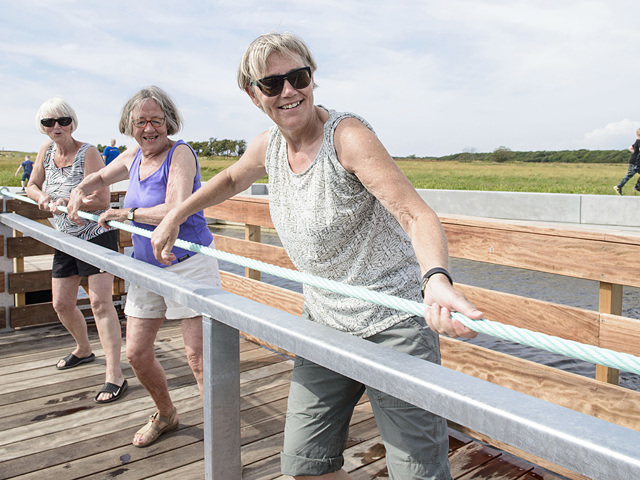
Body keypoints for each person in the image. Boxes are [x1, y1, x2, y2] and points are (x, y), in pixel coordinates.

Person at [150, 33, 483, 480]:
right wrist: (177, 214)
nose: (288, 91)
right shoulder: (267, 145)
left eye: (298, 77)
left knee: (417, 473)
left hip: (392, 325)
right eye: (272, 84)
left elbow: (415, 215)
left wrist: (436, 278)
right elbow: (230, 179)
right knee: (305, 466)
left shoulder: (347, 137)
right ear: (254, 95)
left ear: (312, 78)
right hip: (324, 323)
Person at [66, 86, 221, 448]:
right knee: (135, 353)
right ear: (129, 125)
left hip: (188, 262)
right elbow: (101, 178)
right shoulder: (134, 155)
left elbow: (176, 207)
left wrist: (126, 214)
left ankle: (220, 431)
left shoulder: (180, 154)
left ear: (169, 122)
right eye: (140, 122)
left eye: (156, 120)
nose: (148, 128)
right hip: (146, 266)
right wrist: (77, 191)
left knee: (198, 357)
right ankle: (166, 414)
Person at [26, 97, 127, 404]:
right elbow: (30, 185)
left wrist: (73, 202)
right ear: (42, 128)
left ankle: (115, 374)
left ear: (72, 123)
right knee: (61, 304)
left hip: (95, 236)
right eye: (49, 123)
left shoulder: (89, 152)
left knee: (99, 303)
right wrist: (44, 198)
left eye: (63, 121)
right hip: (66, 239)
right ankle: (83, 349)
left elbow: (102, 199)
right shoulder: (45, 152)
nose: (57, 127)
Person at [614, 128, 640, 195]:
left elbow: (630, 148)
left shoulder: (636, 141)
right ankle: (618, 187)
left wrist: (635, 153)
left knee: (629, 175)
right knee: (629, 175)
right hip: (636, 163)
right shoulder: (639, 141)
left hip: (635, 161)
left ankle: (637, 186)